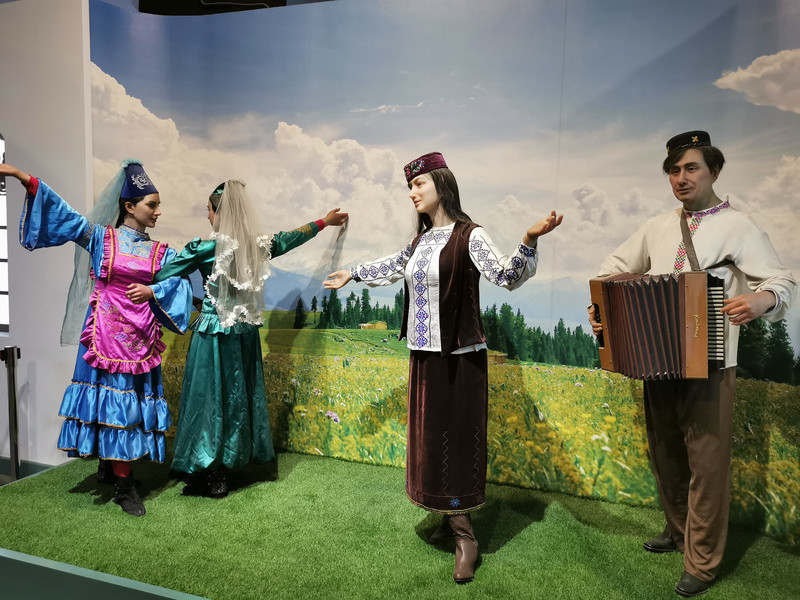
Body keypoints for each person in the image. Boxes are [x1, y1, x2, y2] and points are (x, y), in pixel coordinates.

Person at [324, 152, 562, 583]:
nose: (412, 193)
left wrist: (529, 239)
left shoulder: (470, 235)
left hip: (460, 359)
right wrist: (352, 273)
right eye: (409, 187)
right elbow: (393, 264)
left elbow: (506, 275)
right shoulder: (420, 241)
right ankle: (446, 516)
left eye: (419, 184)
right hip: (424, 357)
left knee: (458, 441)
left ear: (442, 184)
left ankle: (465, 536)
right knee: (431, 442)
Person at [589, 131, 796, 597]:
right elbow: (611, 268)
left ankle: (701, 562)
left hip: (712, 361)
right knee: (666, 451)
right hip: (656, 357)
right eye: (673, 171)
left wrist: (763, 298)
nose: (681, 178)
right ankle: (679, 530)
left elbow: (781, 279)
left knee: (707, 461)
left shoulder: (740, 226)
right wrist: (602, 303)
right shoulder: (657, 226)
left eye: (691, 168)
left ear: (713, 171)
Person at [2, 159, 192, 517]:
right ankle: (123, 485)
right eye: (152, 204)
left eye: (158, 205)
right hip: (103, 336)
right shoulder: (101, 238)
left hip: (139, 338)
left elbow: (179, 281)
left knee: (125, 406)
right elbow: (64, 215)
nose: (158, 212)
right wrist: (21, 176)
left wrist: (153, 291)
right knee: (110, 403)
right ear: (129, 206)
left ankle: (114, 468)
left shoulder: (161, 252)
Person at [153, 180, 348, 498]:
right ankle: (230, 461)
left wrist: (189, 298)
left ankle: (210, 466)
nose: (207, 216)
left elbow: (163, 275)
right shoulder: (257, 246)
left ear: (220, 213)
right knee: (237, 397)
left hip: (213, 335)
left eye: (209, 210)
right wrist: (324, 222)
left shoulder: (204, 249)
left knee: (209, 399)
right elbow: (291, 238)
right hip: (244, 334)